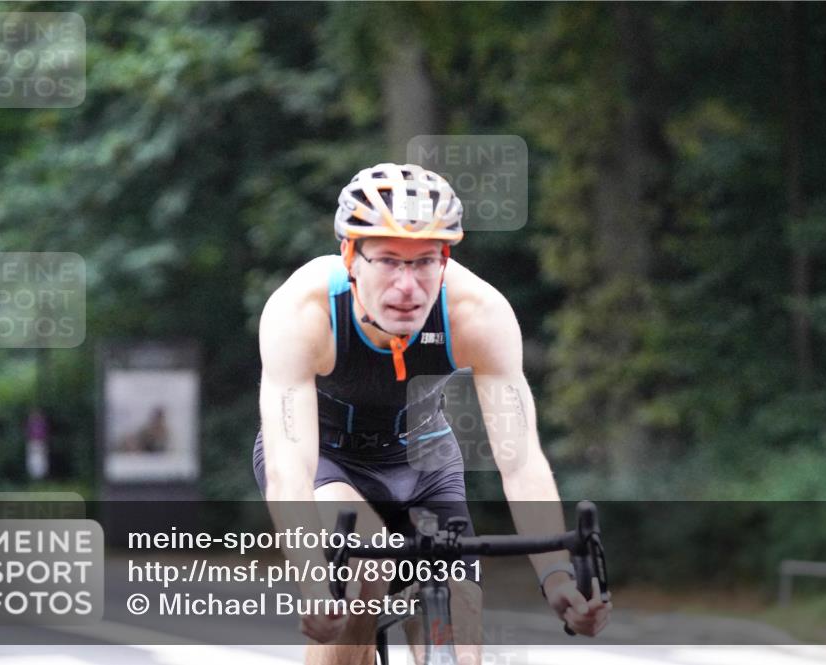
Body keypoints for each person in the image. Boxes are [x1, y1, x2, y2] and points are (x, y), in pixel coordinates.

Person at [253, 163, 610, 665]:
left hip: (423, 463)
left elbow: (521, 460)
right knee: (363, 572)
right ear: (351, 256)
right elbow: (289, 469)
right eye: (388, 261)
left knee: (459, 634)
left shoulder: (477, 313)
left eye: (424, 262)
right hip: (328, 461)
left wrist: (557, 579)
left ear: (445, 259)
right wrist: (313, 584)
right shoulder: (303, 311)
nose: (407, 285)